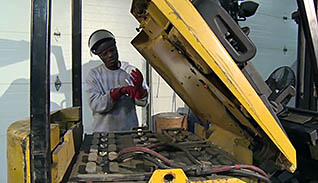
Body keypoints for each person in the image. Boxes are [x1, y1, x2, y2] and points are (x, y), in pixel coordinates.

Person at [86, 29, 148, 132]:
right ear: (99, 56)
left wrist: (140, 90)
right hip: (104, 133)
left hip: (128, 131)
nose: (110, 55)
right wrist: (117, 93)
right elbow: (96, 104)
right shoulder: (94, 75)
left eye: (112, 50)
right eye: (105, 54)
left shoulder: (130, 71)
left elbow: (142, 102)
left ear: (116, 48)